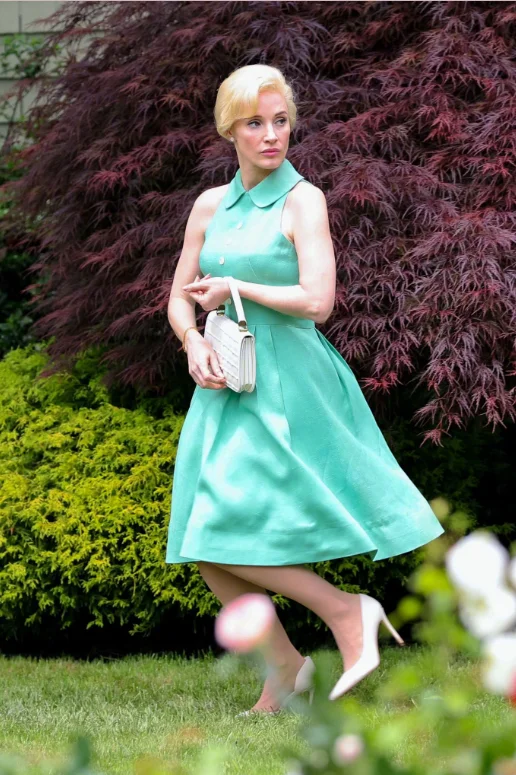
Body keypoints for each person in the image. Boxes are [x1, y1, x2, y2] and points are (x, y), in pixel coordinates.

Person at [165, 64, 445, 715]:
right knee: (205, 542)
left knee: (220, 530)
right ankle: (287, 669)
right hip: (225, 381)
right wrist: (192, 342)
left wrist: (237, 288)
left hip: (287, 384)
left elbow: (318, 301)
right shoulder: (209, 205)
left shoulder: (303, 200)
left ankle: (347, 612)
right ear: (229, 130)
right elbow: (179, 298)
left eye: (281, 121)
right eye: (255, 123)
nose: (271, 135)